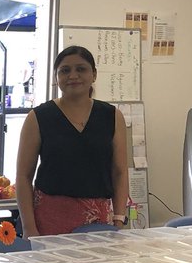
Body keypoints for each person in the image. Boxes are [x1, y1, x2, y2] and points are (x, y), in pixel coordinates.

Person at [15, 45, 129, 236]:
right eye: (65, 70)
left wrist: (119, 217)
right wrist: (29, 228)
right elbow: (23, 177)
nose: (73, 75)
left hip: (100, 220)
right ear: (56, 77)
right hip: (49, 219)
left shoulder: (112, 116)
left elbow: (119, 172)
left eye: (81, 69)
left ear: (94, 75)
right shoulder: (38, 117)